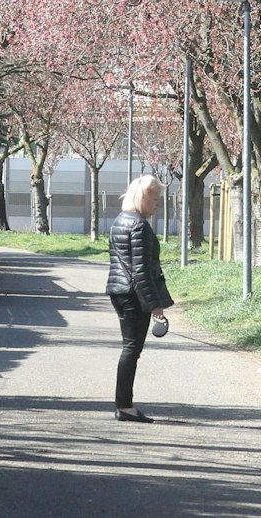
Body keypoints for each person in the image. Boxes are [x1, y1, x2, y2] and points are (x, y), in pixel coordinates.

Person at [105, 174, 173, 422]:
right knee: (132, 349)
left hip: (119, 291)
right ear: (143, 198)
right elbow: (141, 270)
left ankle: (124, 404)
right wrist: (155, 305)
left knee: (129, 349)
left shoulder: (119, 221)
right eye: (155, 199)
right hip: (134, 295)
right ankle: (124, 406)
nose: (157, 205)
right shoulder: (140, 226)